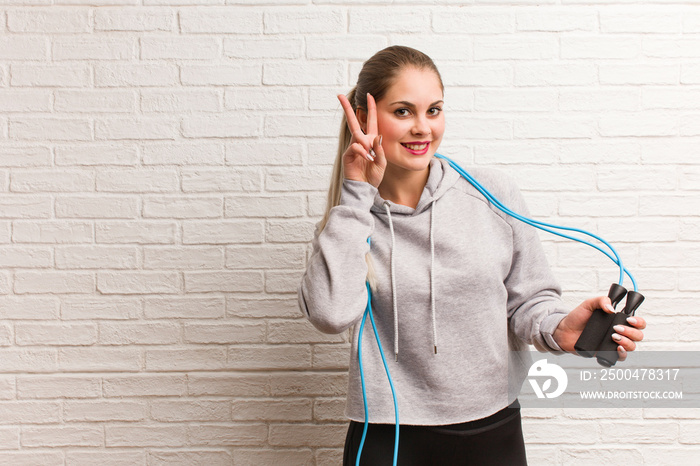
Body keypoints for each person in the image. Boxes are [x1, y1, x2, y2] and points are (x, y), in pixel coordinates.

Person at [297, 45, 646, 465]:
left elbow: (529, 302)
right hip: (387, 435)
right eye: (403, 111)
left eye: (434, 110)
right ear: (365, 118)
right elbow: (330, 314)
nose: (422, 128)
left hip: (491, 430)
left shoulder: (493, 195)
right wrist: (356, 194)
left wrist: (559, 328)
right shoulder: (349, 222)